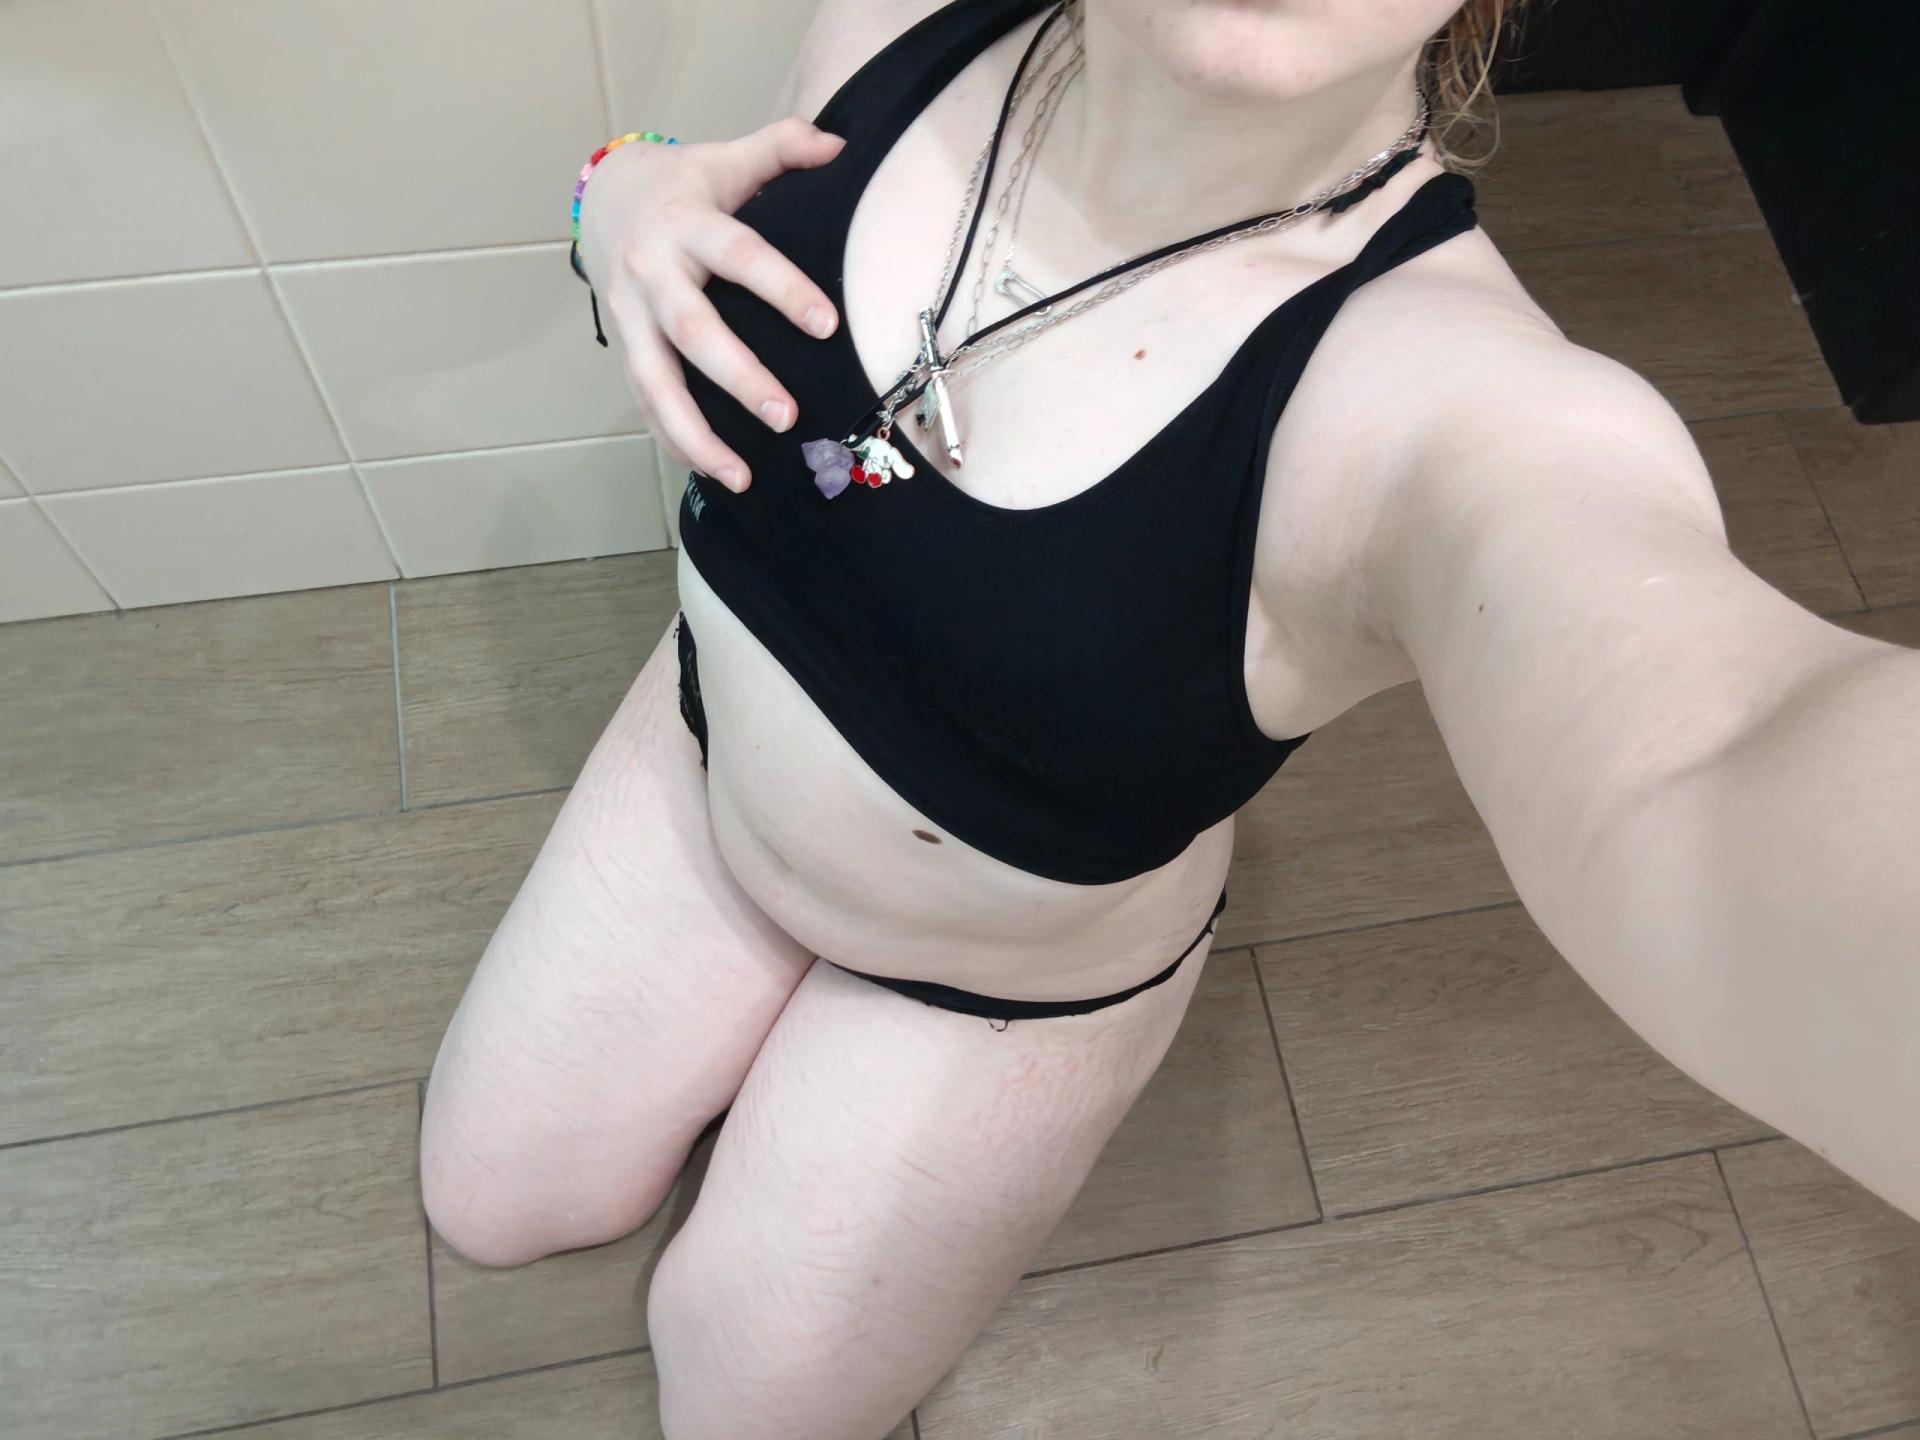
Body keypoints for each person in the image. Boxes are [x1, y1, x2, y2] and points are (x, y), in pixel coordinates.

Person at [419, 1, 1920, 1435]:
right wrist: (614, 197)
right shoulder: (895, 28)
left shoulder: (1455, 406)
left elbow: (1715, 754)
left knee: (738, 1408)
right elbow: (657, 188)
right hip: (704, 748)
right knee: (490, 1202)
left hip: (985, 979)